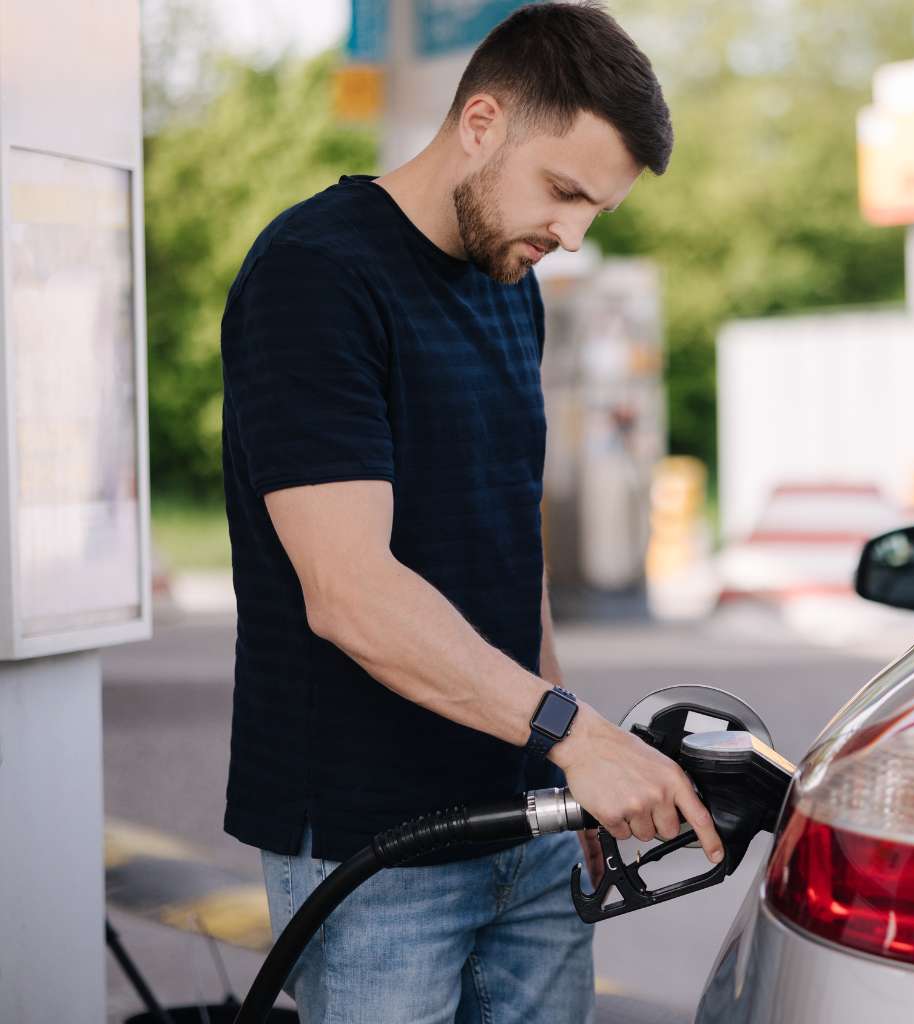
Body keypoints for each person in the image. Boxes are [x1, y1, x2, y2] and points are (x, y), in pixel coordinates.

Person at [218, 4, 720, 1021]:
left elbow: (509, 537)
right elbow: (349, 590)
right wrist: (573, 732)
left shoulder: (510, 284)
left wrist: (564, 750)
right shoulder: (316, 275)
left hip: (526, 822)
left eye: (597, 214)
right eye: (564, 192)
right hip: (375, 849)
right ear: (482, 123)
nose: (571, 236)